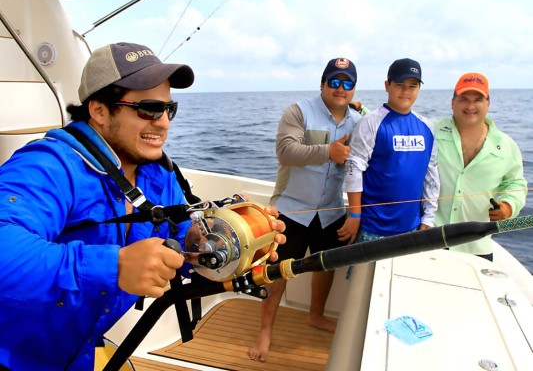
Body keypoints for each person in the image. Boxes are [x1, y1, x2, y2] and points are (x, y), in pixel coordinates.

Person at [0, 42, 286, 371]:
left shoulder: (158, 175)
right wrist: (116, 265)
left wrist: (231, 241)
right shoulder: (48, 166)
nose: (163, 122)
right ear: (99, 111)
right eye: (149, 109)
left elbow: (184, 241)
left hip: (77, 353)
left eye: (169, 110)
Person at [248, 57, 362, 362]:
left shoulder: (357, 121)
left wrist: (356, 212)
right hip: (292, 209)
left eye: (347, 83)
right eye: (334, 81)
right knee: (277, 273)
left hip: (331, 210)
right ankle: (265, 331)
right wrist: (329, 151)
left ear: (353, 89)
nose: (340, 88)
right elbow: (285, 152)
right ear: (323, 84)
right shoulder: (298, 111)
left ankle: (316, 315)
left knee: (326, 266)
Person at [341, 58, 439, 245]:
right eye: (400, 85)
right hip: (372, 229)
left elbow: (431, 174)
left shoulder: (427, 127)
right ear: (387, 85)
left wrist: (428, 217)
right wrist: (354, 215)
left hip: (412, 228)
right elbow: (353, 168)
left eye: (413, 86)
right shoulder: (370, 122)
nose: (406, 91)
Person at [435, 72, 527, 260]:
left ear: (488, 104)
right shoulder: (430, 132)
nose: (470, 106)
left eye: (478, 99)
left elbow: (516, 184)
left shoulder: (507, 145)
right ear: (453, 103)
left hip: (477, 247)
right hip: (429, 240)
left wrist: (509, 206)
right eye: (463, 99)